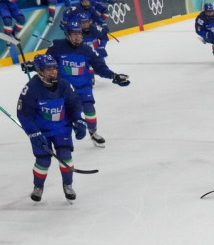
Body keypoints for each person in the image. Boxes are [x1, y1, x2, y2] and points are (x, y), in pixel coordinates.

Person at [43, 19, 130, 148]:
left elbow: (100, 67)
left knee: (90, 110)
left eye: (79, 33)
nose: (78, 36)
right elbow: (47, 64)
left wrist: (114, 76)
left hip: (84, 87)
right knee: (65, 115)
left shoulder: (87, 50)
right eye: (74, 34)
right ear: (67, 35)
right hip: (64, 89)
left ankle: (93, 133)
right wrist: (33, 66)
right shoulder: (57, 46)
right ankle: (57, 139)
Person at [16, 54, 87, 202]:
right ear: (40, 71)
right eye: (48, 70)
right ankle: (38, 187)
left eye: (54, 69)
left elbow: (74, 105)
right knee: (43, 161)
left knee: (65, 156)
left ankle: (68, 185)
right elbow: (24, 114)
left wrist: (78, 120)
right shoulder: (31, 89)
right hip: (41, 131)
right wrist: (33, 132)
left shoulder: (65, 85)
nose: (52, 72)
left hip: (62, 128)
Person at [78, 11, 110, 83]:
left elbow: (104, 37)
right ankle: (90, 76)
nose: (85, 24)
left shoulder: (95, 28)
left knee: (101, 67)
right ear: (79, 23)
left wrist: (101, 47)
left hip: (96, 53)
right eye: (83, 23)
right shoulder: (76, 32)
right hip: (83, 54)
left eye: (87, 22)